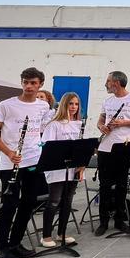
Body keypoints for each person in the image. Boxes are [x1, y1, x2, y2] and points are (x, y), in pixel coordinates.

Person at [0, 67, 51, 258]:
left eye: (33, 83)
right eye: (25, 82)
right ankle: (1, 248)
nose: (29, 86)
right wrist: (8, 152)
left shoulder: (43, 106)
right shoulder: (6, 105)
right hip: (11, 162)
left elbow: (42, 131)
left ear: (40, 84)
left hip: (33, 160)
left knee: (29, 203)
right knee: (10, 205)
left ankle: (15, 243)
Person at [94, 71, 130, 237]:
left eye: (108, 81)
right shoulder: (107, 101)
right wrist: (101, 126)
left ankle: (119, 219)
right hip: (105, 148)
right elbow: (100, 119)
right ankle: (103, 221)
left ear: (116, 83)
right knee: (104, 186)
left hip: (124, 147)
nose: (106, 84)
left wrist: (124, 122)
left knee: (122, 185)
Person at [39, 92, 85, 247]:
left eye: (76, 104)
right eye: (71, 103)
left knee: (67, 201)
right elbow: (47, 147)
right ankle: (46, 236)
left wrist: (82, 164)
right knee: (54, 201)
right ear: (64, 104)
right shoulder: (54, 124)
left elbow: (81, 147)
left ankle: (61, 233)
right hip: (57, 168)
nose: (74, 107)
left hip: (73, 168)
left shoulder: (78, 124)